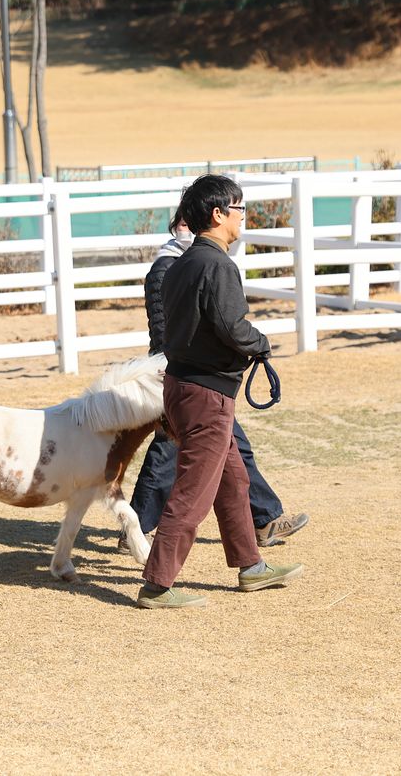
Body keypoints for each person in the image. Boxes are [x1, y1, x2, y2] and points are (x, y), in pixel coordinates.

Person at [138, 175, 304, 609]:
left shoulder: (180, 265)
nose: (242, 216)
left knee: (234, 480)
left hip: (182, 387)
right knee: (193, 492)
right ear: (218, 214)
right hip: (206, 395)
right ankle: (156, 584)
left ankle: (251, 566)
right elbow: (232, 326)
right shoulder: (217, 265)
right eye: (239, 208)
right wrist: (260, 343)